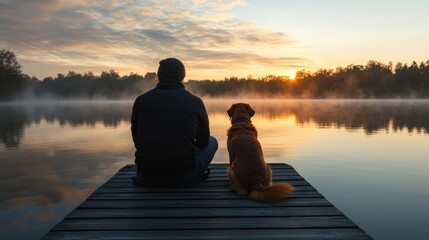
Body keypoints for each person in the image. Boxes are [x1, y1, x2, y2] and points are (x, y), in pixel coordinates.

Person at [131, 58, 218, 187]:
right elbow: (203, 141)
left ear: (159, 76)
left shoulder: (141, 100)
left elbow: (137, 140)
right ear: (183, 76)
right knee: (212, 141)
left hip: (145, 176)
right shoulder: (195, 101)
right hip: (184, 176)